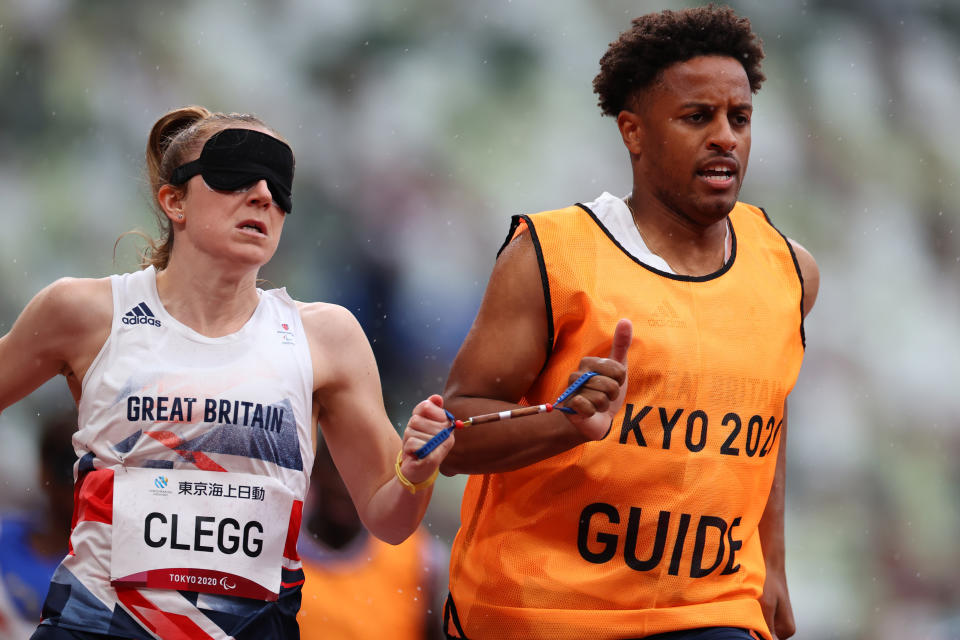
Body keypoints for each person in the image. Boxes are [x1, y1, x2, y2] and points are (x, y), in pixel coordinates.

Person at [0, 105, 455, 639]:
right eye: (234, 174)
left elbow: (390, 520)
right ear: (174, 201)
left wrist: (416, 472)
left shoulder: (326, 338)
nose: (263, 194)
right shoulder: (86, 312)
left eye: (279, 184)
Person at [439, 6, 819, 640]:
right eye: (698, 117)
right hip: (543, 610)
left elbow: (766, 423)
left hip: (708, 611)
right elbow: (453, 434)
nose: (725, 136)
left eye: (740, 118)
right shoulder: (551, 255)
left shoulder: (789, 269)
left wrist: (772, 564)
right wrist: (561, 423)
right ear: (633, 132)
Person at [297, 439, 446, 640]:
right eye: (336, 468)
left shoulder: (420, 556)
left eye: (360, 475)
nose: (345, 485)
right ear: (315, 472)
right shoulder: (273, 547)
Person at [0, 409, 76, 639]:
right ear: (44, 470)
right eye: (69, 466)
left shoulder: (110, 569)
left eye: (93, 471)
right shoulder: (4, 538)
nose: (80, 484)